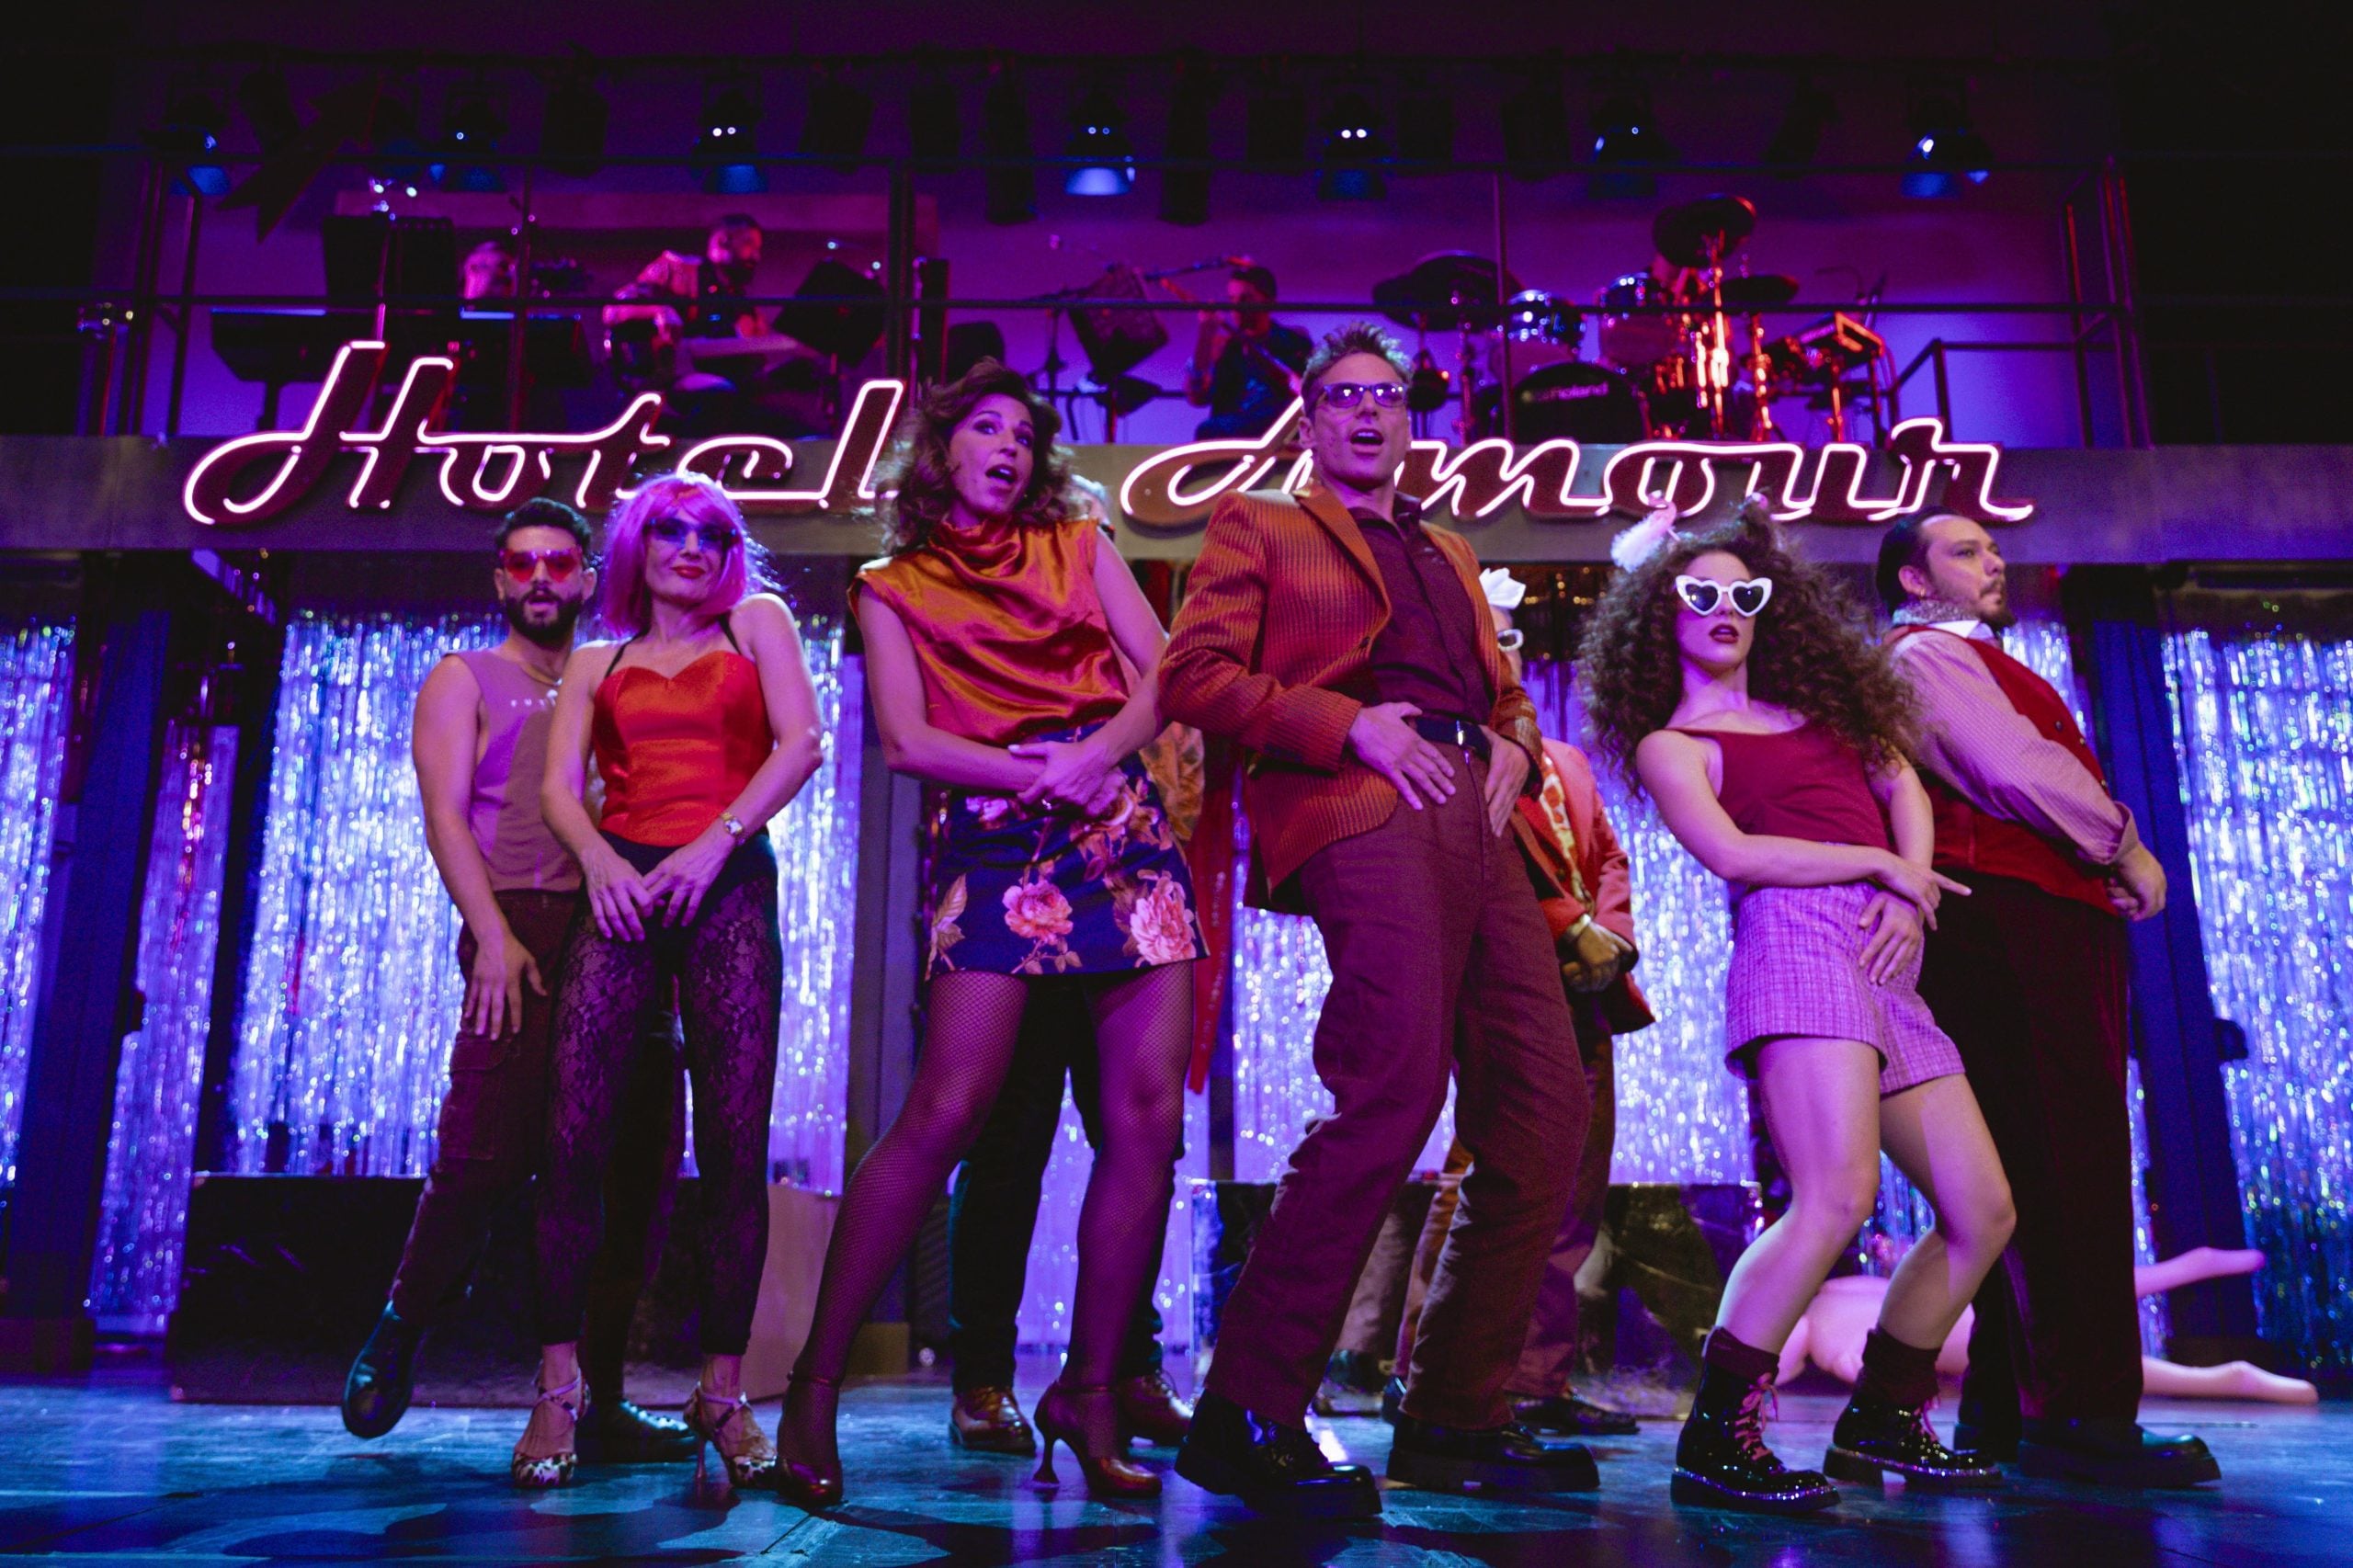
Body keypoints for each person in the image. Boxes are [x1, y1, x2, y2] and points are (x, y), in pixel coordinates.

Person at [1159, 320, 1596, 1517]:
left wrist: (1516, 748)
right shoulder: (1262, 522)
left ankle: (1456, 1409)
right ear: (1309, 420)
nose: (1368, 413)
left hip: (1481, 811)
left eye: (1387, 398)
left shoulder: (1449, 546)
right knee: (1392, 1086)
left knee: (1546, 1106)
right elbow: (1193, 675)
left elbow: (1504, 693)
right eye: (1344, 397)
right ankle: (1246, 1408)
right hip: (1363, 791)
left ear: (1410, 424)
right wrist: (1345, 722)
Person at [776, 359, 1202, 1508]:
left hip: (1121, 831)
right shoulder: (891, 584)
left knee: (1148, 1120)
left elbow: (1168, 673)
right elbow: (909, 741)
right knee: (947, 1110)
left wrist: (1094, 756)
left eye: (1024, 433)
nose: (1008, 447)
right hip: (997, 837)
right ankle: (814, 1385)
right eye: (986, 428)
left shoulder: (1080, 542)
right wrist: (1037, 772)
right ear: (941, 449)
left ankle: (1093, 1390)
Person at [1577, 500, 2017, 1515]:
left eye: (1745, 595)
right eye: (1700, 595)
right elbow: (1733, 853)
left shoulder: (1827, 717)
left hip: (1887, 947)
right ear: (1660, 614)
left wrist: (1908, 886)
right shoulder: (1674, 742)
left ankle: (1884, 1415)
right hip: (1799, 937)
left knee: (1982, 1209)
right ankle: (1717, 1436)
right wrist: (1879, 866)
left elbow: (1904, 789)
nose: (1724, 611)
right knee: (1833, 1197)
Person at [340, 499, 693, 1470]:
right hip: (521, 925)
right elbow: (445, 816)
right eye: (523, 563)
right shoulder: (464, 676)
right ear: (501, 578)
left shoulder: (613, 672)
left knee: (634, 1170)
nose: (541, 578)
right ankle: (404, 1321)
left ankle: (601, 1398)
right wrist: (489, 933)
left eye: (559, 563)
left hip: (620, 925)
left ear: (587, 577)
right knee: (485, 1150)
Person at [1878, 512, 2222, 1487]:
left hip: (2017, 921)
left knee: (2027, 1168)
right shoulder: (1928, 654)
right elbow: (2014, 767)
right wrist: (2122, 842)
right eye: (1964, 551)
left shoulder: (1959, 657)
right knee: (2068, 1158)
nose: (1994, 563)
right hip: (2017, 922)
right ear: (1911, 580)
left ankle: (2008, 1409)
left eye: (1993, 549)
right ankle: (2080, 1414)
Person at [513, 473, 826, 1490]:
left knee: (734, 1144)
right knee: (571, 1140)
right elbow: (559, 788)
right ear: (638, 548)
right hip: (620, 886)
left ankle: (722, 1393)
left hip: (727, 880)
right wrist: (603, 863)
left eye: (714, 533)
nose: (693, 546)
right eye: (671, 530)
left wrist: (713, 843)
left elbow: (802, 743)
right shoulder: (596, 658)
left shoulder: (757, 623)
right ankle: (559, 1387)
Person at [1387, 566, 1654, 1441]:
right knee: (1487, 1177)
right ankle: (1428, 1369)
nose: (1501, 653)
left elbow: (1607, 854)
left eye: (1510, 637)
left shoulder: (1564, 758)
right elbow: (1483, 863)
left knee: (1572, 1189)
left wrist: (1610, 935)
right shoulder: (1451, 754)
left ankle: (1538, 1377)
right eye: (1485, 637)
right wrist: (1568, 928)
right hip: (1507, 973)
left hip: (1591, 988)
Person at [940, 983, 1191, 1456]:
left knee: (1146, 1141)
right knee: (1008, 1142)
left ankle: (1132, 1369)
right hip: (1030, 950)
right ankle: (982, 1378)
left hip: (1131, 944)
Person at [602, 213, 826, 437]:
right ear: (723, 241)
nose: (756, 256)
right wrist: (659, 311)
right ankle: (691, 456)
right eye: (749, 245)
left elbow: (753, 368)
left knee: (796, 419)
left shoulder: (745, 307)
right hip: (670, 380)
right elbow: (612, 311)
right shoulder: (677, 271)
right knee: (719, 394)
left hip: (735, 389)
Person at [1168, 259, 1311, 439]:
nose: (1236, 307)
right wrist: (1205, 335)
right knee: (1209, 430)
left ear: (1269, 301)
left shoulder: (1294, 341)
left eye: (1245, 299)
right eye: (1232, 299)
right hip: (1233, 428)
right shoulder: (1221, 346)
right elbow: (1197, 398)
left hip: (1280, 427)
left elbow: (1308, 392)